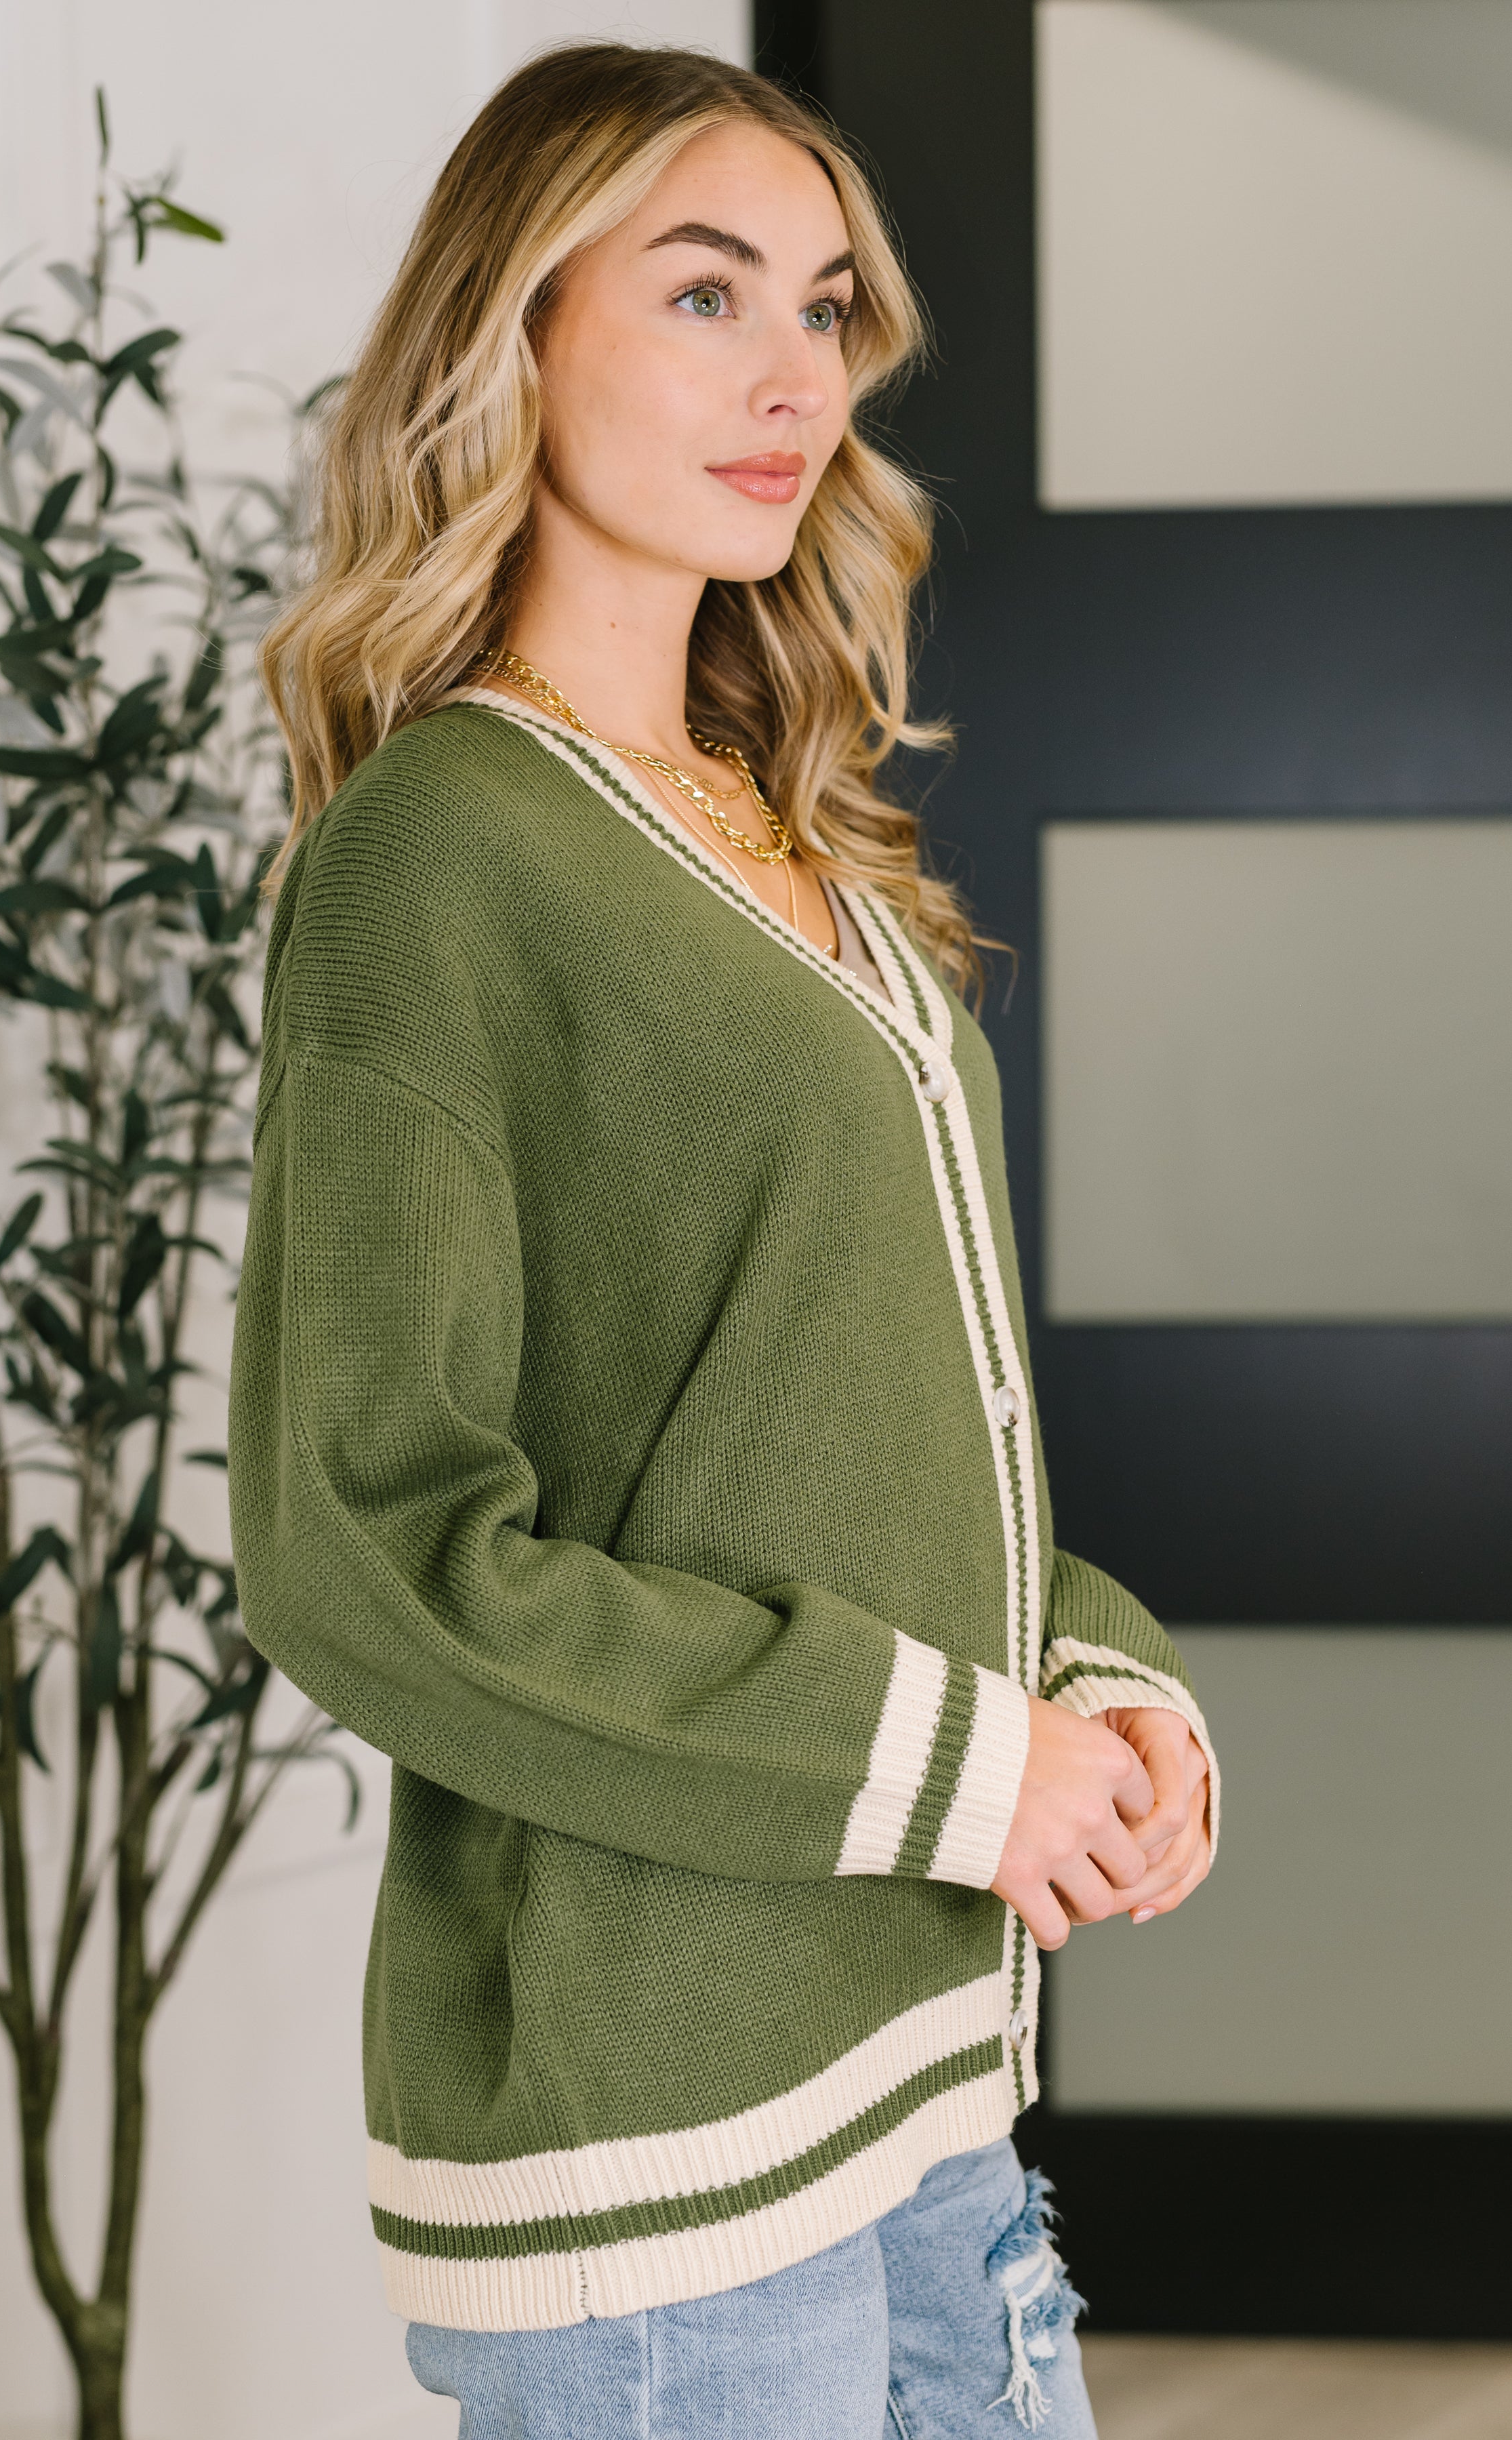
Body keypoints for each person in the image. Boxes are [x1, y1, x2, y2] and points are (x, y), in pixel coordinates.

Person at [228, 42, 1217, 2440]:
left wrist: (1099, 1688)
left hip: (924, 2087)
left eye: (825, 304)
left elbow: (842, 1405)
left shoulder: (805, 831)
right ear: (511, 330)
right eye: (702, 294)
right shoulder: (438, 862)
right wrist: (959, 1771)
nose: (795, 378)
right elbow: (366, 1551)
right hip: (658, 2161)